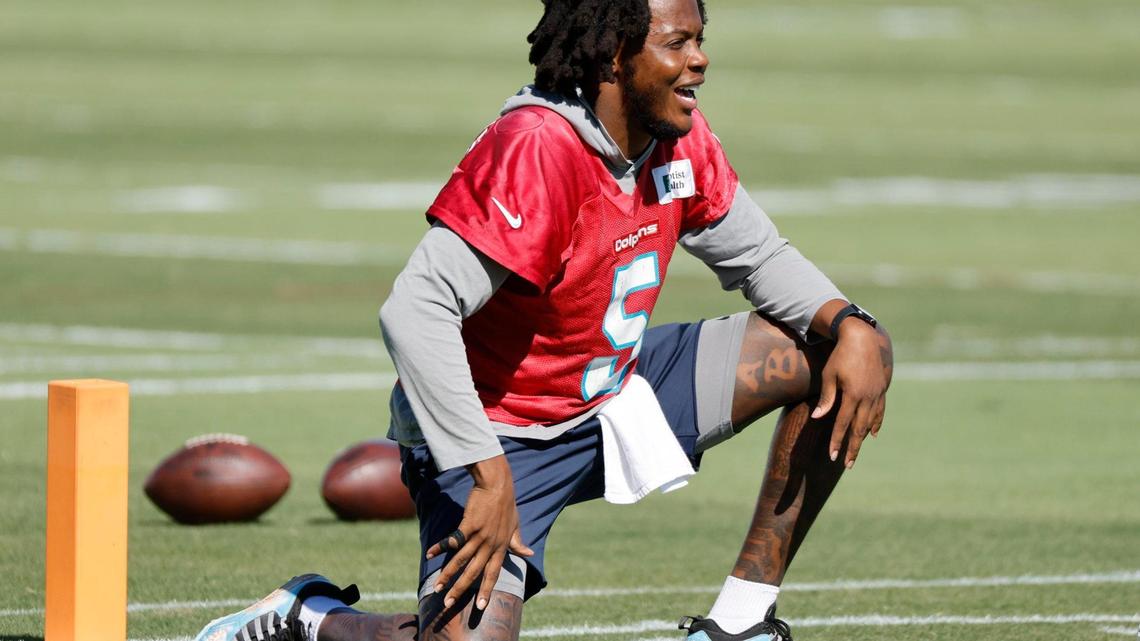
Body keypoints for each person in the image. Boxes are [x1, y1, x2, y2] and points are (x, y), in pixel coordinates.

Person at [194, 0, 893, 639]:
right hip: (497, 433)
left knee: (837, 348)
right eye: (678, 42)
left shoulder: (678, 138)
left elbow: (761, 254)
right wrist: (489, 475)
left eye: (700, 40)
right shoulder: (539, 146)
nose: (700, 59)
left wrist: (851, 321)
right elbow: (415, 308)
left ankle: (738, 625)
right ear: (616, 55)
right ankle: (311, 619)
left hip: (615, 389)